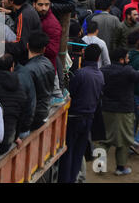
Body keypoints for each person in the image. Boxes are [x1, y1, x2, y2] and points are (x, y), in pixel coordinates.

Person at [99, 48, 139, 175]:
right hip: (123, 110)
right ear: (121, 59)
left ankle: (98, 166)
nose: (128, 59)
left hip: (106, 109)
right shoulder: (127, 71)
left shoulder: (104, 70)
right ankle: (120, 168)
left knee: (104, 139)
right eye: (127, 58)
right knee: (124, 140)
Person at [58, 44, 104, 183]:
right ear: (98, 58)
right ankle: (72, 179)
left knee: (69, 151)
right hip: (88, 118)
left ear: (84, 54)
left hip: (74, 118)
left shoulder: (81, 73)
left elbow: (70, 92)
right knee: (78, 153)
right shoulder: (100, 75)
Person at [0, 54, 29, 154]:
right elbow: (22, 117)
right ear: (12, 68)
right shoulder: (20, 90)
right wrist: (16, 136)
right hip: (6, 142)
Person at [24, 31, 55, 130]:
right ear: (44, 49)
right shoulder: (48, 63)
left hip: (34, 116)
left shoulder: (28, 70)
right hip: (45, 110)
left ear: (27, 45)